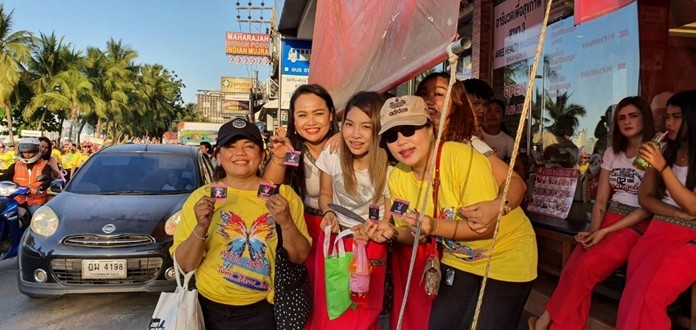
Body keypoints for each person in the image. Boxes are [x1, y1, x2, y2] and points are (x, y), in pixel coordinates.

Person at [373, 95, 536, 330]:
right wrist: (392, 233)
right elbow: (414, 232)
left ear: (430, 129)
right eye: (391, 136)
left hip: (506, 253)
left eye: (409, 129)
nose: (401, 141)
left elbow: (484, 227)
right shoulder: (398, 176)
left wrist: (435, 226)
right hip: (458, 258)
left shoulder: (460, 157)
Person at [170, 118, 311, 329]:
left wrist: (286, 223)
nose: (240, 153)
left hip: (264, 311)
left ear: (262, 155)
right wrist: (201, 227)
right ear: (218, 155)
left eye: (249, 146)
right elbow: (185, 265)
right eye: (231, 146)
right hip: (208, 311)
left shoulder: (284, 197)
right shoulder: (201, 199)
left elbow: (299, 256)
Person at [532, 96, 655, 330]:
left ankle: (546, 321)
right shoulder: (612, 152)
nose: (626, 121)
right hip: (609, 218)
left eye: (633, 116)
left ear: (645, 118)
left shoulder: (655, 152)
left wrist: (605, 231)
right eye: (621, 118)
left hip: (635, 225)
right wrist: (593, 231)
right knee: (573, 267)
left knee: (586, 268)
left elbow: (647, 206)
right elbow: (600, 200)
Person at [311, 91, 392, 329]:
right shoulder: (332, 153)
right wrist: (328, 213)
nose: (355, 135)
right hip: (335, 240)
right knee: (331, 309)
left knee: (364, 311)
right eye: (349, 124)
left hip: (371, 243)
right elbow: (325, 195)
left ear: (378, 128)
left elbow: (388, 216)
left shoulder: (389, 166)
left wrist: (374, 231)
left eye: (366, 126)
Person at [617, 90, 696, 329]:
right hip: (658, 230)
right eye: (667, 117)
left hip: (690, 241)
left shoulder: (664, 160)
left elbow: (693, 205)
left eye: (676, 117)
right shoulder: (665, 150)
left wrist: (662, 168)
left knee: (651, 297)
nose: (668, 123)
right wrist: (675, 214)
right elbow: (645, 198)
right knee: (632, 295)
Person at [263, 84, 340, 296]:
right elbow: (266, 191)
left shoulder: (347, 145)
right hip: (303, 234)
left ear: (331, 115)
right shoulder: (291, 151)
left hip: (343, 234)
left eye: (319, 113)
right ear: (294, 121)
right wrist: (279, 158)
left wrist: (348, 137)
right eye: (303, 115)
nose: (312, 122)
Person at [0, 138, 52, 216]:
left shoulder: (44, 166)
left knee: (38, 219)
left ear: (37, 151)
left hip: (35, 201)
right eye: (24, 152)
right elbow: (5, 176)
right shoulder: (15, 165)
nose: (27, 154)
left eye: (30, 152)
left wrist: (39, 188)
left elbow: (47, 180)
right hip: (17, 199)